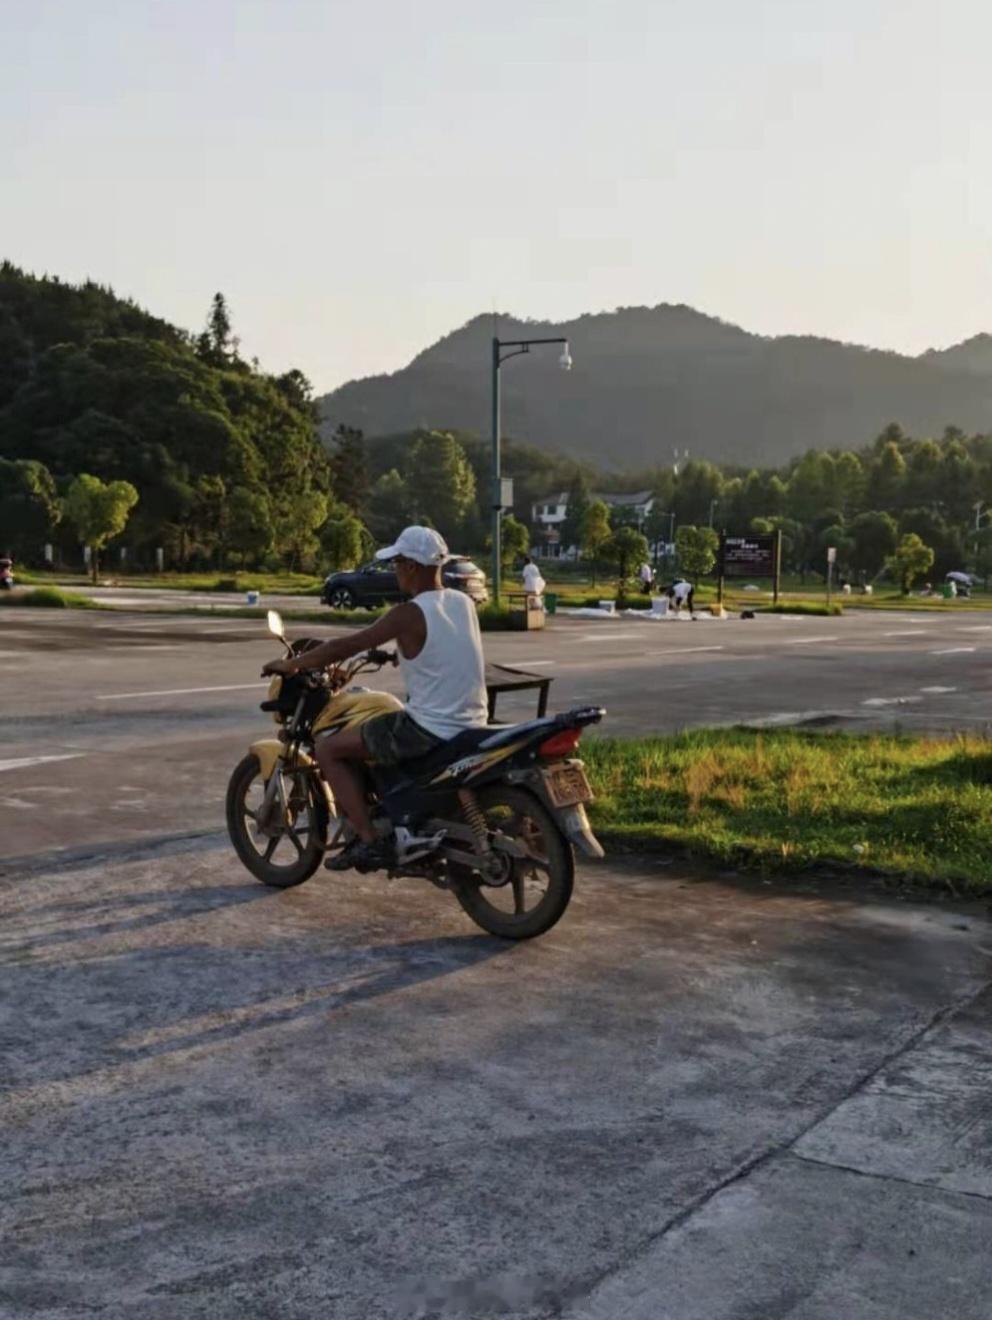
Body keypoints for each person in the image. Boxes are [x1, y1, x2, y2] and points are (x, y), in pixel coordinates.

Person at [263, 526, 488, 872]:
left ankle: (370, 841)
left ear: (411, 566)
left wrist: (293, 664)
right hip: (471, 722)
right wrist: (394, 653)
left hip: (427, 728)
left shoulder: (408, 613)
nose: (394, 569)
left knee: (328, 749)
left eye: (397, 562)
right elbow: (437, 646)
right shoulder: (462, 603)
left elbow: (346, 645)